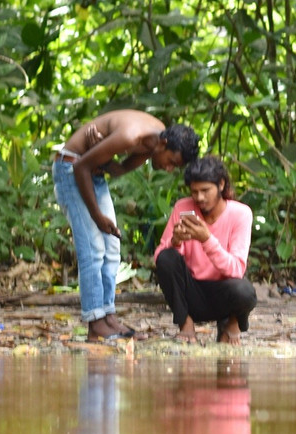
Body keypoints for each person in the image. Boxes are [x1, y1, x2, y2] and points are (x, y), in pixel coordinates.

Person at [53, 110, 199, 341]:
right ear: (163, 144)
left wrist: (103, 156)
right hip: (71, 168)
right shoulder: (131, 137)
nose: (169, 169)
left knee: (111, 247)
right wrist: (97, 215)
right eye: (171, 162)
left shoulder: (154, 139)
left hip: (93, 173)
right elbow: (81, 167)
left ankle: (108, 316)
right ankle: (94, 323)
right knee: (93, 249)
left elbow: (118, 169)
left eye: (175, 167)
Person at [153, 156, 257, 344]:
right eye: (194, 192)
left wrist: (206, 239)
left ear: (221, 184)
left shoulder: (241, 213)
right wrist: (175, 241)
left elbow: (237, 269)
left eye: (205, 190)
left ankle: (232, 323)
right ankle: (185, 323)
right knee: (166, 257)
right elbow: (160, 258)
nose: (199, 198)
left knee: (245, 291)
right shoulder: (182, 207)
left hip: (224, 293)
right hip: (191, 293)